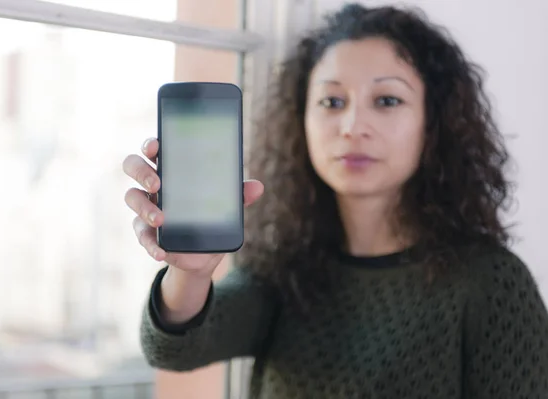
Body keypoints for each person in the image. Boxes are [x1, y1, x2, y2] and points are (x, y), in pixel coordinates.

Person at [123, 3, 548, 399]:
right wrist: (190, 272)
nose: (352, 125)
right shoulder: (284, 268)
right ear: (301, 119)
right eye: (331, 101)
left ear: (433, 124)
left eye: (386, 100)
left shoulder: (491, 283)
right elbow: (175, 350)